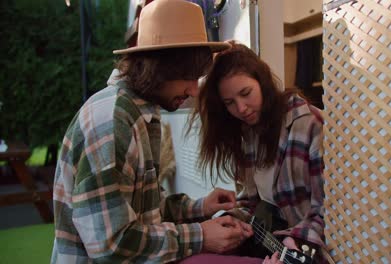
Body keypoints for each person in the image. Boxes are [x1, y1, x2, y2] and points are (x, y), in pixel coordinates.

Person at [51, 1, 254, 263]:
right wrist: (201, 235)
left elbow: (145, 211)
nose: (194, 90)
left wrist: (200, 206)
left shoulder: (142, 112)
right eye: (189, 76)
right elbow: (112, 245)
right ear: (159, 68)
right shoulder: (112, 122)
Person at [190, 42, 327, 263]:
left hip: (304, 248)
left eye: (246, 93)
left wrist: (299, 241)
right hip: (267, 244)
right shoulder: (248, 133)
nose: (241, 108)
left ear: (263, 82)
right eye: (230, 103)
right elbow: (256, 203)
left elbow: (327, 207)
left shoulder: (309, 124)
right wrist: (231, 219)